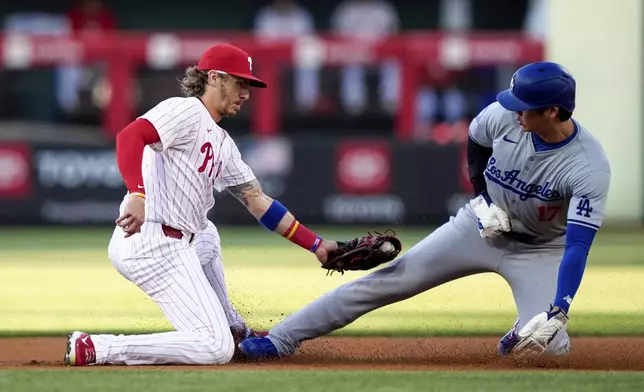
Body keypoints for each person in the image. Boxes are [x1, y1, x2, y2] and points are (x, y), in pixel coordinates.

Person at [239, 62, 611, 359]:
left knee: (548, 347)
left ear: (552, 111)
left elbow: (577, 246)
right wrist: (483, 199)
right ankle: (281, 339)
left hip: (540, 248)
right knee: (392, 278)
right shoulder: (504, 115)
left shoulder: (587, 167)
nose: (513, 110)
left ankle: (519, 332)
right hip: (480, 227)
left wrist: (560, 308)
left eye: (524, 107)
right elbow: (476, 144)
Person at [63, 43, 339, 366]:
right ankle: (98, 347)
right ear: (215, 78)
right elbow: (129, 136)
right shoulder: (186, 111)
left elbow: (259, 202)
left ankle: (235, 328)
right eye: (240, 83)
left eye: (248, 85)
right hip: (152, 241)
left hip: (176, 240)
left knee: (206, 235)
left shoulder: (222, 142)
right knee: (215, 349)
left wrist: (316, 245)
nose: (246, 93)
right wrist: (137, 193)